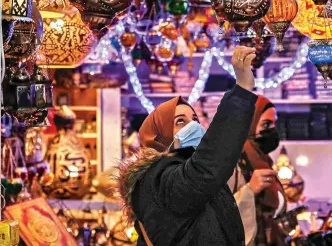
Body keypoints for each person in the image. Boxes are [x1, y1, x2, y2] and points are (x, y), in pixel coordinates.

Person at [118, 46, 259, 246]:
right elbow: (207, 169)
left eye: (194, 119)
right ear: (158, 136)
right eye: (180, 121)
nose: (193, 126)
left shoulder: (180, 174)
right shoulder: (158, 179)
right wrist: (242, 92)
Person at [228, 96, 286, 246]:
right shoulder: (230, 162)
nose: (272, 130)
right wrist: (250, 190)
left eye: (274, 124)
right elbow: (215, 214)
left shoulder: (264, 160)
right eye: (266, 124)